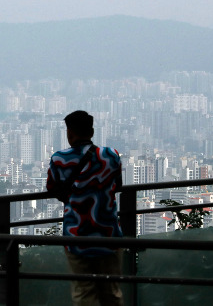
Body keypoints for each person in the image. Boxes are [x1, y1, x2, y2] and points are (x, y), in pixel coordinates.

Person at [46, 110, 124, 306]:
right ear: (92, 131)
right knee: (112, 293)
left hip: (77, 235)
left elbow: (52, 188)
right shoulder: (111, 155)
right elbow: (118, 185)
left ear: (70, 133)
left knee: (84, 293)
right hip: (108, 234)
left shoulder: (59, 160)